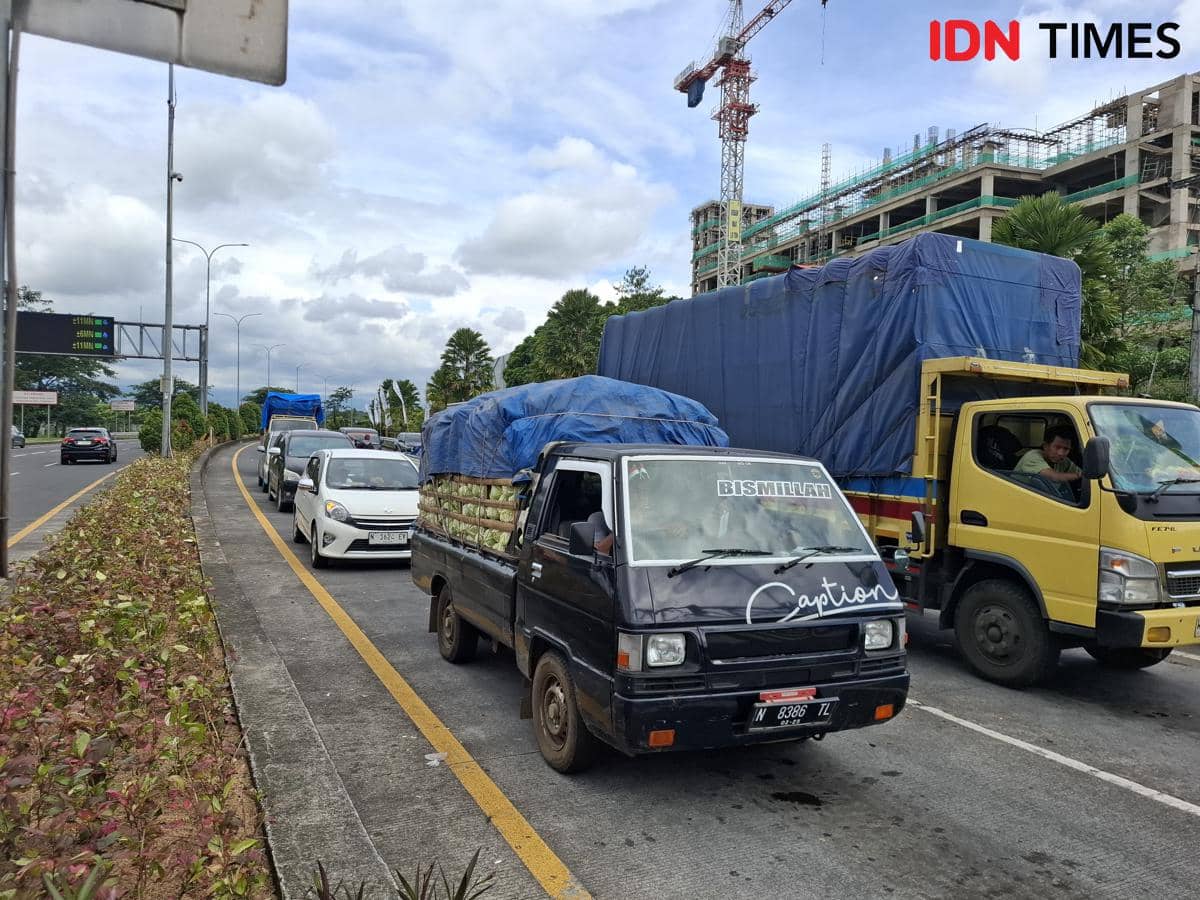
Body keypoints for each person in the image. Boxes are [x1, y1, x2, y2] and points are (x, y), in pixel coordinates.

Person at [1014, 425, 1081, 489]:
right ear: (1045, 446)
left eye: (1066, 449)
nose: (1061, 453)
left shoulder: (1063, 461)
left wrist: (1083, 475)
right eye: (1057, 447)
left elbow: (1080, 472)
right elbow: (1054, 477)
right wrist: (1079, 476)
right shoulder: (1032, 456)